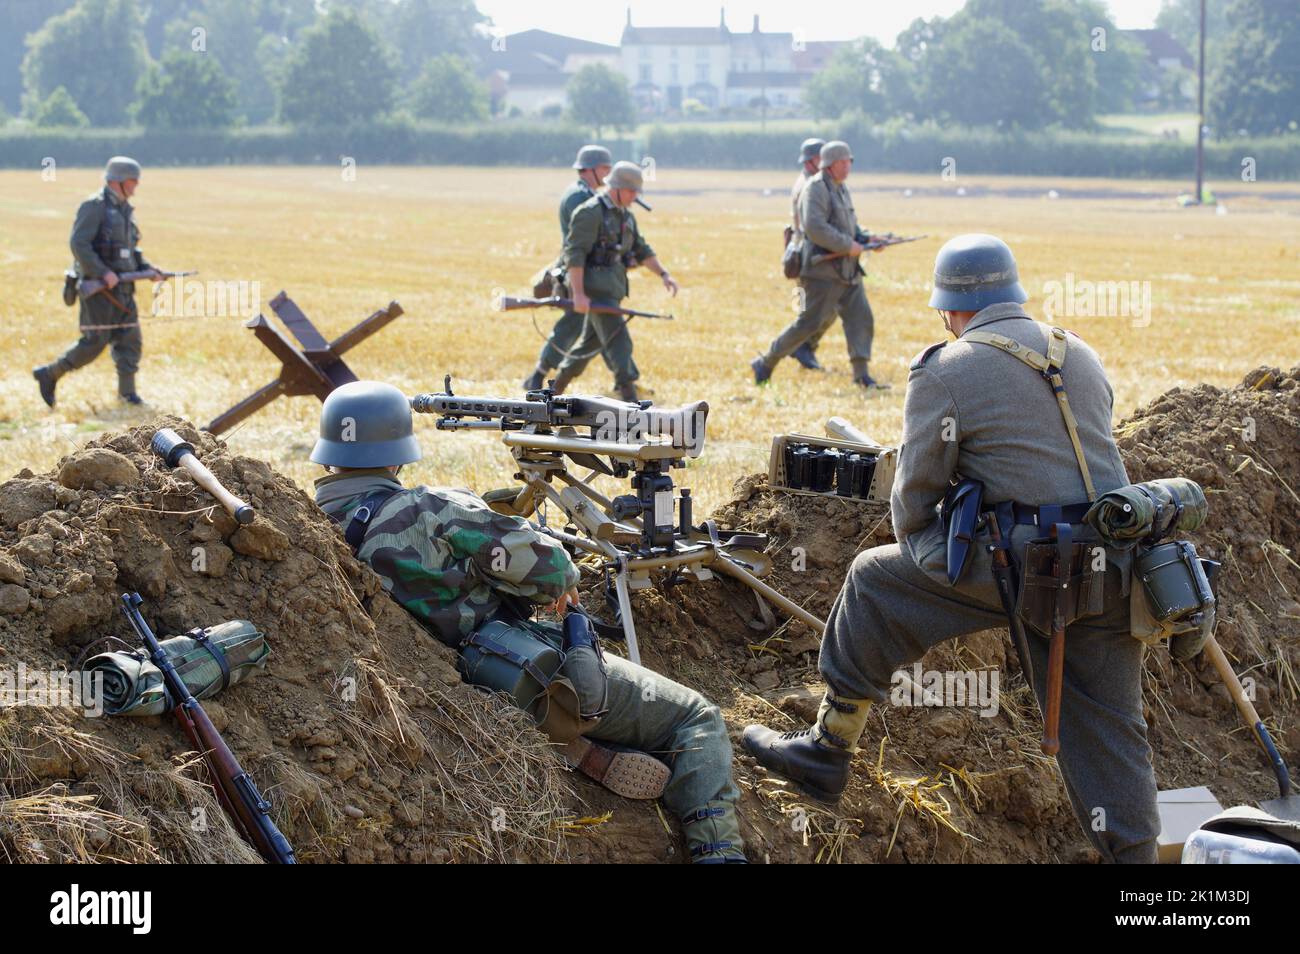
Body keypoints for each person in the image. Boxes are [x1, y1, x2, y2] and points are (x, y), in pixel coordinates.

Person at [742, 234, 1161, 863]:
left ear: (948, 310)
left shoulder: (946, 369)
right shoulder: (1079, 352)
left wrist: (946, 555)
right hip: (1114, 567)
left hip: (1022, 568)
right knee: (1111, 726)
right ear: (1014, 295)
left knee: (873, 580)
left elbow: (912, 504)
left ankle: (826, 751)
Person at [311, 381, 746, 863]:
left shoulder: (305, 524)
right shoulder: (432, 510)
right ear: (398, 456)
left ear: (328, 452)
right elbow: (554, 571)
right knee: (696, 717)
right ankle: (719, 853)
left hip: (426, 685)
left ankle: (576, 746)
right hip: (506, 668)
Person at [752, 140, 888, 390]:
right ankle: (765, 362)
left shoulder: (840, 188)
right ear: (829, 164)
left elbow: (850, 226)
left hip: (847, 270)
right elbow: (815, 228)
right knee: (808, 323)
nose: (848, 167)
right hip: (821, 271)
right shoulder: (815, 189)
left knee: (860, 317)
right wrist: (848, 245)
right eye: (842, 163)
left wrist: (868, 239)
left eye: (849, 162)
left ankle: (861, 374)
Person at [34, 156, 167, 407]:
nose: (136, 186)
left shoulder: (125, 210)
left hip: (124, 289)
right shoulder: (93, 207)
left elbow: (132, 250)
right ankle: (49, 373)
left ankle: (127, 395)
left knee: (130, 339)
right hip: (100, 291)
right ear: (118, 181)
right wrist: (103, 272)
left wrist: (148, 269)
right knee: (94, 344)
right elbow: (78, 244)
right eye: (133, 181)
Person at [550, 161, 678, 402]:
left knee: (589, 344)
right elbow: (574, 254)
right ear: (617, 188)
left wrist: (663, 274)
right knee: (619, 342)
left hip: (612, 290)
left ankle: (555, 388)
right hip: (594, 290)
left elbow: (641, 249)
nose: (634, 197)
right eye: (631, 191)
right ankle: (630, 397)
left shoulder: (625, 217)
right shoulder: (589, 212)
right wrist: (578, 294)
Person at [523, 144, 617, 392]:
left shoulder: (584, 193)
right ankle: (537, 375)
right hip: (580, 269)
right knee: (578, 324)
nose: (609, 174)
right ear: (590, 169)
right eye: (605, 168)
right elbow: (584, 238)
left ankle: (624, 379)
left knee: (605, 323)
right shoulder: (579, 197)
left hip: (589, 268)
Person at [788, 137, 826, 372]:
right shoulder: (808, 185)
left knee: (817, 308)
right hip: (806, 253)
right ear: (814, 160)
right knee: (811, 309)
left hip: (806, 250)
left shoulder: (810, 180)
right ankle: (797, 347)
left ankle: (804, 347)